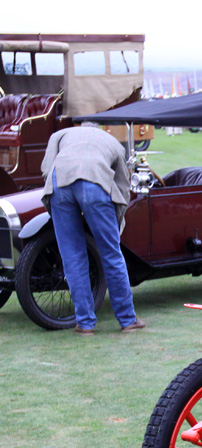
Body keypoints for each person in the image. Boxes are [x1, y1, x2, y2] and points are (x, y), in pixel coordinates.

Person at [41, 123, 145, 334]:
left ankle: (85, 323)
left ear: (79, 128)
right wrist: (118, 220)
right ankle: (127, 320)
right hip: (95, 183)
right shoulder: (114, 143)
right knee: (111, 254)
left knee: (72, 256)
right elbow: (123, 187)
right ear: (100, 130)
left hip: (59, 182)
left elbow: (46, 168)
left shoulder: (60, 135)